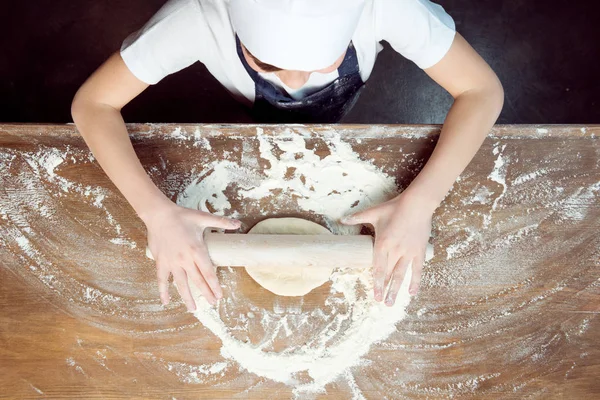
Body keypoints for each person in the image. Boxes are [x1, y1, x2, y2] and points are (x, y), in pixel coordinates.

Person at [71, 0, 504, 310]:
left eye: (323, 62)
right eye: (265, 64)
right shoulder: (195, 17)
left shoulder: (389, 6)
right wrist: (155, 215)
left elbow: (481, 90)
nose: (297, 82)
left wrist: (422, 202)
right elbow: (92, 104)